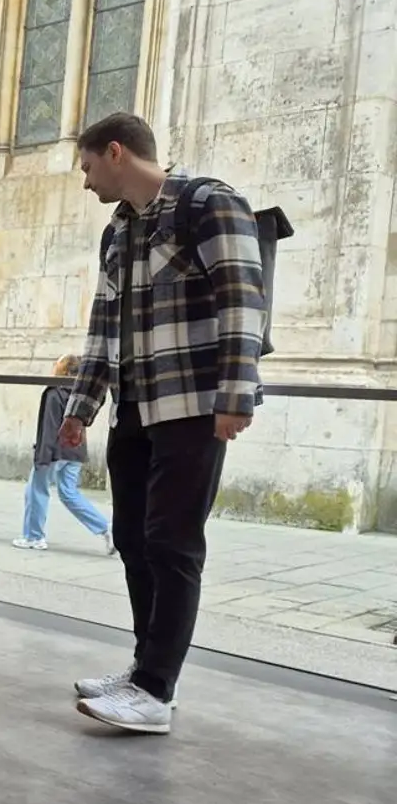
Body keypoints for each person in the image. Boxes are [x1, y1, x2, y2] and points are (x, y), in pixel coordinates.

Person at [59, 112, 268, 734]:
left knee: (172, 544)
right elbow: (103, 326)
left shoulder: (207, 203)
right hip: (134, 408)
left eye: (87, 167)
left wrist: (236, 393)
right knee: (132, 539)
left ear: (115, 152)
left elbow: (243, 299)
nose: (85, 181)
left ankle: (155, 691)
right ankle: (146, 669)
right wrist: (80, 409)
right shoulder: (118, 231)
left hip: (192, 405)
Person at [11, 353, 114, 555]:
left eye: (56, 364)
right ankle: (106, 528)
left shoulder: (54, 392)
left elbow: (49, 427)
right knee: (69, 493)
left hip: (55, 452)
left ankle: (34, 537)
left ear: (64, 370)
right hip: (75, 451)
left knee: (36, 490)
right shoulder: (80, 393)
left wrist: (42, 456)